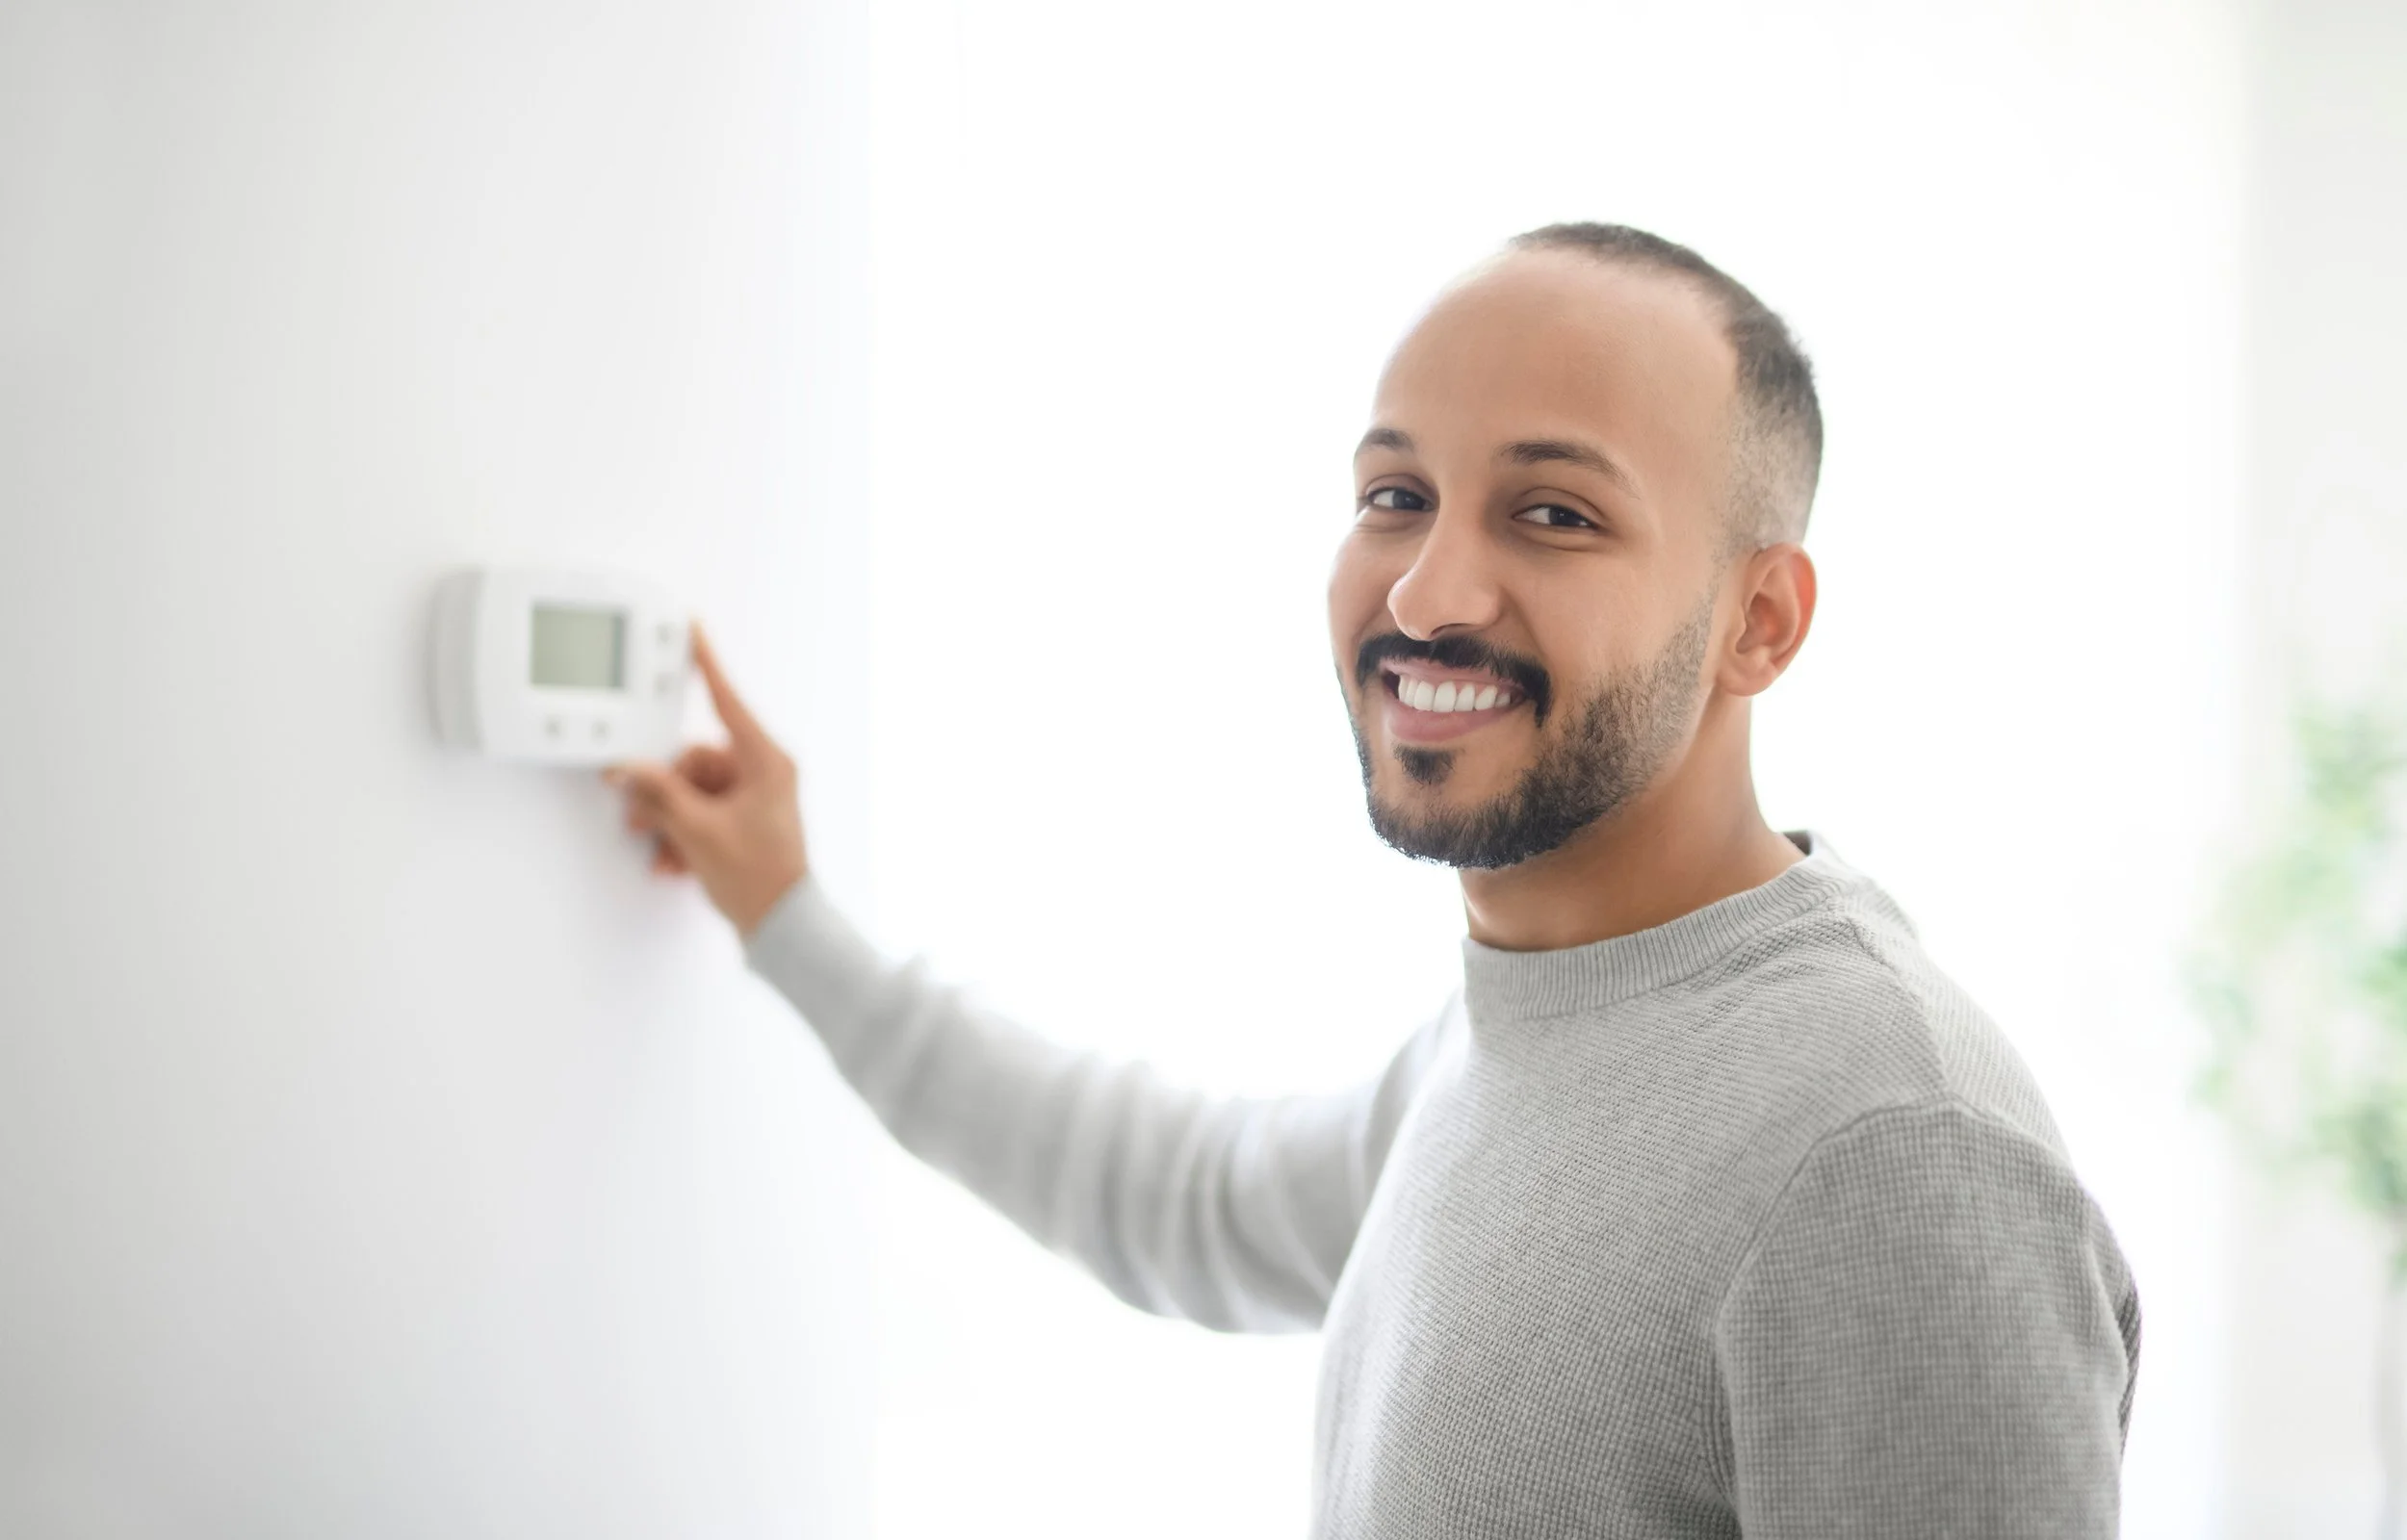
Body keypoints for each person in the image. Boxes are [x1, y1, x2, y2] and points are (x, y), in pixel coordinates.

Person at [603, 221, 2140, 1537]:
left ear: (1761, 623)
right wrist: (787, 919)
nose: (1424, 591)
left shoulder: (1887, 1143)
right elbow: (1178, 1200)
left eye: (1554, 513)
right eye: (1396, 493)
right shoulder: (1516, 1033)